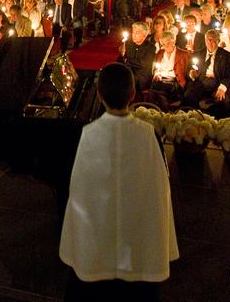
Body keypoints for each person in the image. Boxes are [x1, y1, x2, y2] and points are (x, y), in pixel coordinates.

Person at [60, 63, 178, 302]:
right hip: (136, 244)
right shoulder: (148, 134)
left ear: (100, 95)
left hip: (97, 243)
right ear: (133, 95)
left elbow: (80, 193)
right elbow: (158, 190)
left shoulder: (88, 134)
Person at [118, 22, 155, 93]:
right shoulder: (128, 44)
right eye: (133, 32)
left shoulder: (150, 47)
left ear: (144, 35)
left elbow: (143, 64)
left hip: (141, 75)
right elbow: (121, 59)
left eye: (137, 33)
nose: (134, 35)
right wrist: (122, 55)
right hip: (128, 71)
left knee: (126, 81)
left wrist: (127, 60)